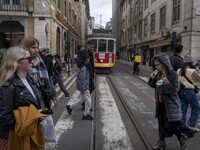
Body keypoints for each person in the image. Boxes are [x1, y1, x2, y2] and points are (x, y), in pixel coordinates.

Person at [0, 47, 45, 150]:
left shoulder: (29, 79)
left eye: (32, 58)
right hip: (13, 139)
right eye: (28, 59)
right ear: (16, 62)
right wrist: (33, 119)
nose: (32, 61)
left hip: (30, 135)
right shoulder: (7, 86)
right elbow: (3, 118)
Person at [148, 53, 194, 150]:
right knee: (161, 123)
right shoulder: (157, 74)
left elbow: (174, 88)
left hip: (170, 103)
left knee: (172, 124)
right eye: (155, 65)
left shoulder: (172, 74)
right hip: (159, 102)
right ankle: (161, 142)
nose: (156, 67)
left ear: (164, 64)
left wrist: (162, 86)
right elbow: (153, 85)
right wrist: (152, 78)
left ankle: (183, 136)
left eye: (157, 65)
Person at [20, 37, 54, 108]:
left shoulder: (39, 60)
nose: (36, 50)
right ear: (26, 48)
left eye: (37, 48)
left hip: (42, 94)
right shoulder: (21, 63)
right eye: (33, 48)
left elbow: (45, 80)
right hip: (28, 99)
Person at [66, 53, 93, 120]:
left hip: (82, 86)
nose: (89, 59)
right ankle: (85, 115)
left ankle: (70, 107)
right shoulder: (84, 67)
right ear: (86, 59)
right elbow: (82, 79)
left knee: (82, 99)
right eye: (88, 58)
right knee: (89, 101)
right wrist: (83, 89)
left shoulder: (81, 65)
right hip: (84, 87)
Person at [177, 54, 200, 132]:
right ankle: (191, 125)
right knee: (196, 107)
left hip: (181, 90)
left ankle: (182, 125)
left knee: (183, 108)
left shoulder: (179, 70)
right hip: (189, 91)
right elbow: (198, 80)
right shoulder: (192, 71)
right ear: (191, 63)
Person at [79, 41, 95, 110]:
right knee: (87, 91)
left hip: (90, 74)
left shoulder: (90, 54)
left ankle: (83, 103)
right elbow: (80, 64)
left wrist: (93, 74)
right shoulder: (84, 53)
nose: (92, 48)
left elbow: (91, 64)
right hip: (86, 75)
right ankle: (86, 105)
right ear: (87, 46)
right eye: (91, 47)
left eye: (92, 47)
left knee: (92, 88)